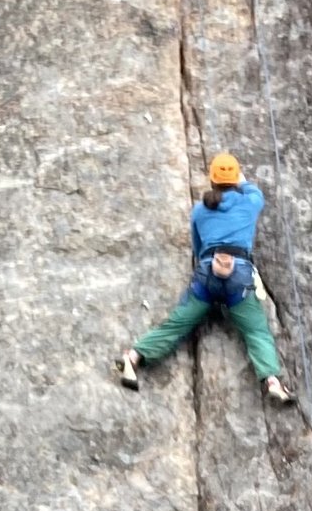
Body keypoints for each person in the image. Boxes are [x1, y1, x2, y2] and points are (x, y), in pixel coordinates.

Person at [116, 151, 295, 403]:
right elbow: (252, 190)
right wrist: (240, 180)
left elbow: (198, 249)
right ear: (235, 180)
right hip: (238, 279)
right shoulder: (249, 202)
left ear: (211, 180)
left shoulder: (200, 210)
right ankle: (273, 382)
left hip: (207, 275)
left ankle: (133, 357)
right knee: (256, 331)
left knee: (177, 324)